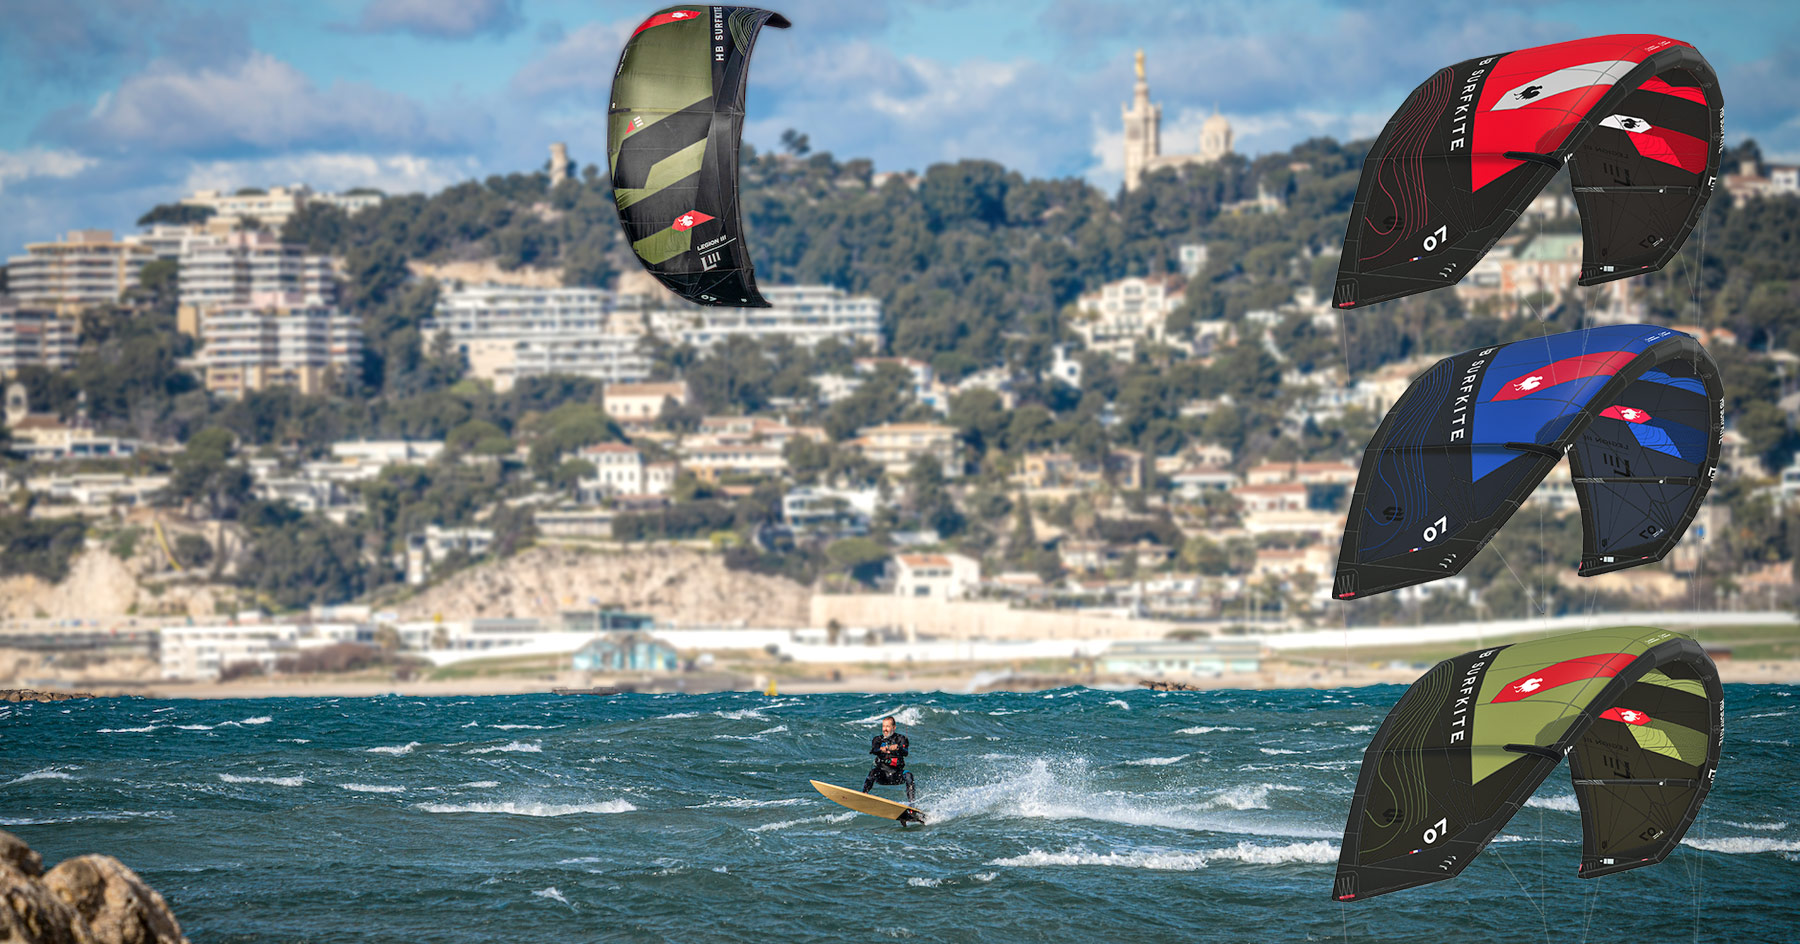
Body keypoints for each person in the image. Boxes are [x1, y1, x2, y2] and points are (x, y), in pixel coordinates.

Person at [862, 714, 916, 804]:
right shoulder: (877, 739)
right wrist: (881, 749)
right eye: (883, 726)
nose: (885, 729)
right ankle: (863, 795)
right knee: (872, 772)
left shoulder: (901, 739)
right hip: (882, 775)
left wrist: (898, 748)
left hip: (896, 775)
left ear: (894, 728)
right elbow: (874, 750)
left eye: (887, 726)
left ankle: (912, 804)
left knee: (909, 776)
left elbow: (905, 752)